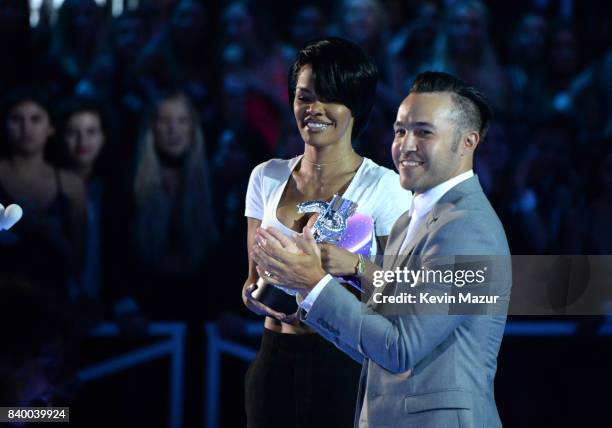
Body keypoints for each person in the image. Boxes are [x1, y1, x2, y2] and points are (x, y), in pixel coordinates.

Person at [251, 71, 511, 427]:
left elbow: (400, 347)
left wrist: (313, 284)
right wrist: (312, 285)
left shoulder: (468, 229)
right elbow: (377, 341)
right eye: (400, 130)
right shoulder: (411, 220)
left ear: (468, 142)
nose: (405, 145)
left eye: (424, 132)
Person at [242, 37, 412, 428]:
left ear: (355, 104)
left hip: (345, 361)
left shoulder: (386, 187)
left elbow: (400, 292)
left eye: (329, 97)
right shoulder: (265, 176)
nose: (313, 109)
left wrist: (351, 267)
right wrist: (256, 295)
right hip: (273, 357)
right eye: (304, 96)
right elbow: (250, 282)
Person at [0, 89, 86, 301]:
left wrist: (53, 236)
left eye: (36, 119)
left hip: (53, 301)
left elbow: (79, 262)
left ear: (51, 128)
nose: (26, 128)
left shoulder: (71, 184)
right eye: (16, 119)